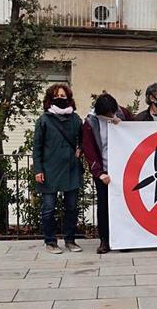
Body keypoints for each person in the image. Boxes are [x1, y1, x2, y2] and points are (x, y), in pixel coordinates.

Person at [32, 84, 84, 254]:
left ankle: (70, 240)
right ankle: (50, 242)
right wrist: (38, 170)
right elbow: (37, 147)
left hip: (71, 169)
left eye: (64, 96)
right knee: (48, 208)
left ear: (69, 98)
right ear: (50, 99)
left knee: (71, 207)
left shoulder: (76, 119)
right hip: (49, 171)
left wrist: (80, 148)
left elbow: (84, 138)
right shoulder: (44, 120)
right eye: (57, 96)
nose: (61, 98)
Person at [82, 93, 133, 254]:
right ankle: (105, 240)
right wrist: (99, 172)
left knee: (125, 205)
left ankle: (124, 239)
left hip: (124, 170)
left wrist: (124, 125)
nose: (111, 116)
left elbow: (136, 132)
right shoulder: (90, 123)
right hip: (104, 171)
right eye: (108, 114)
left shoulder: (123, 114)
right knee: (104, 206)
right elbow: (89, 151)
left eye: (113, 112)